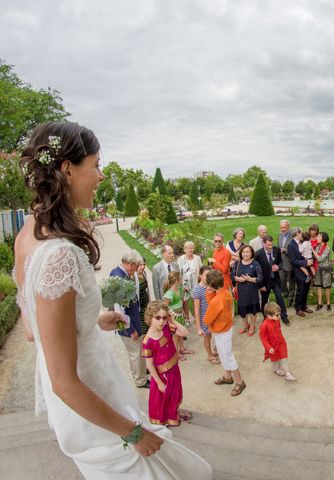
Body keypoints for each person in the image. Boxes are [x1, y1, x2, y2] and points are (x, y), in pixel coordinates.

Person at [13, 121, 211, 477]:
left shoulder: (27, 234)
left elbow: (33, 330)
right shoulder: (60, 254)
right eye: (96, 164)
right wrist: (133, 433)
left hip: (79, 401)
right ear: (67, 169)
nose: (101, 176)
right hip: (90, 397)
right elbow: (64, 382)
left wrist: (88, 321)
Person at [142, 301, 189, 426]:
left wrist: (172, 320)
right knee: (163, 400)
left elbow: (184, 333)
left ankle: (175, 413)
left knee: (175, 394)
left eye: (164, 317)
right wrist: (159, 383)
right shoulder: (148, 341)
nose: (161, 321)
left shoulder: (167, 326)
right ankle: (167, 419)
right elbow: (149, 365)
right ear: (149, 317)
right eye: (157, 318)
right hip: (162, 376)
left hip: (174, 369)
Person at [204, 270, 246, 396]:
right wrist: (210, 293)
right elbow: (212, 303)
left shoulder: (217, 301)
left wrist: (208, 293)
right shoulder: (225, 292)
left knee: (227, 355)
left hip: (221, 330)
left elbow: (207, 319)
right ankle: (228, 376)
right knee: (223, 353)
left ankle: (239, 381)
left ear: (211, 285)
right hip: (226, 327)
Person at [111, 250, 149, 388]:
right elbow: (118, 309)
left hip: (130, 321)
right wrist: (130, 329)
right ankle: (141, 380)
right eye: (137, 265)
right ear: (132, 264)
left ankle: (138, 374)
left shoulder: (116, 272)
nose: (137, 268)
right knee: (136, 353)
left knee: (135, 352)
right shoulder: (121, 279)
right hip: (129, 325)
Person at [255, 235, 290, 325]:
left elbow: (280, 262)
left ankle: (284, 316)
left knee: (279, 297)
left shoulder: (277, 250)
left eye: (271, 244)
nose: (270, 247)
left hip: (275, 280)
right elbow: (256, 271)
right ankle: (265, 317)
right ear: (263, 244)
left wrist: (278, 266)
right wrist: (260, 285)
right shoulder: (258, 254)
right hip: (264, 282)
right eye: (268, 245)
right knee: (264, 300)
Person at [259, 302, 296, 381]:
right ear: (268, 315)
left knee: (284, 357)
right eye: (277, 315)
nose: (279, 316)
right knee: (276, 359)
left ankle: (287, 374)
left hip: (281, 343)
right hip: (273, 346)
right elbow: (263, 338)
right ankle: (276, 369)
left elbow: (279, 330)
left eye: (279, 314)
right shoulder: (264, 325)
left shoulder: (277, 320)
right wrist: (269, 348)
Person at [232, 244, 263, 336]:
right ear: (241, 253)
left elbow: (260, 278)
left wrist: (250, 279)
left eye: (247, 252)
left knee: (252, 310)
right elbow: (232, 276)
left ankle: (252, 326)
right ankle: (245, 325)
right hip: (241, 291)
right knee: (242, 310)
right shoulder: (237, 264)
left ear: (251, 253)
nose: (245, 254)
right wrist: (238, 279)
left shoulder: (255, 264)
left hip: (252, 292)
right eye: (244, 252)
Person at [193, 265, 219, 364]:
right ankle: (209, 355)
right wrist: (198, 328)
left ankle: (216, 349)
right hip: (205, 318)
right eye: (205, 275)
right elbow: (196, 310)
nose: (208, 278)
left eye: (210, 275)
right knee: (207, 336)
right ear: (200, 275)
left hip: (215, 316)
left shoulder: (212, 286)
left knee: (217, 334)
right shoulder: (197, 290)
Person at [163, 271, 192, 358]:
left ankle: (182, 349)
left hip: (180, 315)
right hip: (174, 317)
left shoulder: (179, 289)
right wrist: (169, 319)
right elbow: (165, 307)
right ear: (177, 280)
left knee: (181, 333)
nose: (181, 280)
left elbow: (181, 302)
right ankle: (176, 353)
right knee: (176, 336)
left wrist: (183, 312)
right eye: (180, 279)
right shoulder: (169, 293)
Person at [288, 227, 315, 316]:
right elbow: (293, 260)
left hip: (307, 269)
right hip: (299, 271)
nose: (302, 234)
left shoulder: (302, 242)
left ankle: (304, 306)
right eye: (301, 233)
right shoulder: (291, 245)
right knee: (300, 290)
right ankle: (298, 308)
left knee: (306, 289)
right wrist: (305, 262)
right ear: (297, 234)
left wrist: (310, 261)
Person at [177, 241, 202, 325]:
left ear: (194, 249)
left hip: (195, 282)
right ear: (184, 249)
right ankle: (187, 319)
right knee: (185, 301)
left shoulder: (197, 258)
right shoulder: (180, 259)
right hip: (185, 284)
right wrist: (180, 284)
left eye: (191, 248)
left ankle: (196, 318)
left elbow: (201, 271)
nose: (190, 250)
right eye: (187, 248)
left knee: (197, 300)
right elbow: (178, 273)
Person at [312, 232, 332, 311]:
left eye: (319, 237)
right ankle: (319, 303)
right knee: (318, 286)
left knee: (327, 287)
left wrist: (313, 251)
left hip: (326, 270)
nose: (317, 238)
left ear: (323, 238)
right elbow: (314, 257)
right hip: (318, 269)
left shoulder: (327, 248)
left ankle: (328, 304)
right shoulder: (317, 246)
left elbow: (320, 259)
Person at [278, 219, 295, 306]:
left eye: (284, 227)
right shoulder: (279, 235)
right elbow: (278, 247)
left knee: (291, 281)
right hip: (281, 262)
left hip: (289, 262)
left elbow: (296, 251)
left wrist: (286, 250)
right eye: (281, 227)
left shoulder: (293, 236)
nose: (282, 229)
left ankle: (291, 297)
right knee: (281, 279)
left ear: (288, 227)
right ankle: (285, 293)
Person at [136, 259, 151, 336]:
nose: (143, 267)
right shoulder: (134, 276)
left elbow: (147, 289)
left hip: (146, 301)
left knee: (148, 322)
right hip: (139, 304)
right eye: (140, 265)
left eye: (144, 265)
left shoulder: (144, 273)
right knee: (142, 326)